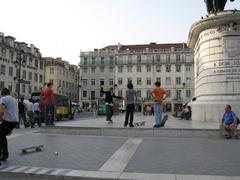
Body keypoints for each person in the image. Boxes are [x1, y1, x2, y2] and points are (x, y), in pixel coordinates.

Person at [0, 88, 19, 162]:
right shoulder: (14, 99)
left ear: (2, 93)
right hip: (15, 121)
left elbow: (1, 111)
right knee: (2, 136)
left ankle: (4, 154)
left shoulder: (3, 99)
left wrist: (1, 120)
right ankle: (5, 154)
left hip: (8, 121)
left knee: (0, 136)